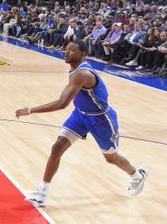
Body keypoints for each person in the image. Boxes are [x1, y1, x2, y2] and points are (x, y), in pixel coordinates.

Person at [15, 39, 147, 206]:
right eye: (66, 48)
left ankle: (137, 175)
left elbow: (62, 103)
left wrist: (30, 110)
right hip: (80, 115)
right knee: (57, 148)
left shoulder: (82, 74)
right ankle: (42, 192)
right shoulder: (74, 70)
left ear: (82, 54)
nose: (66, 51)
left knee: (111, 158)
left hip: (101, 119)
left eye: (72, 49)